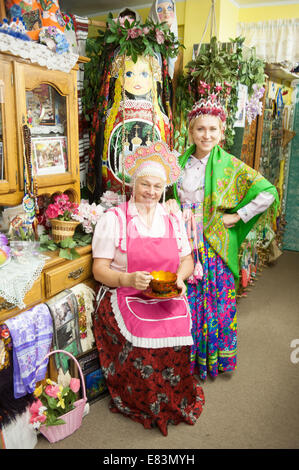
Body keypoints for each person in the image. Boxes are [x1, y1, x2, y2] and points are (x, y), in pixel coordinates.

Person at [92, 140, 205, 436]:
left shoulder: (172, 218)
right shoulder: (113, 219)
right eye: (145, 185)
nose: (152, 193)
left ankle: (173, 398)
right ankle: (143, 401)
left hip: (164, 294)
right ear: (133, 184)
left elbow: (186, 259)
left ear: (165, 188)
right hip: (124, 293)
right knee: (146, 336)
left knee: (179, 327)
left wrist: (180, 278)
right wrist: (127, 279)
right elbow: (99, 269)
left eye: (158, 186)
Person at [166, 95, 279, 381]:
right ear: (191, 132)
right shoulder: (177, 163)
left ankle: (211, 360)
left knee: (214, 302)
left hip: (214, 243)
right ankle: (186, 360)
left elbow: (267, 192)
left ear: (221, 132)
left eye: (212, 129)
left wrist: (236, 216)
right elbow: (163, 194)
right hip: (183, 242)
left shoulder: (230, 165)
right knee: (187, 301)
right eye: (201, 129)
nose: (207, 135)